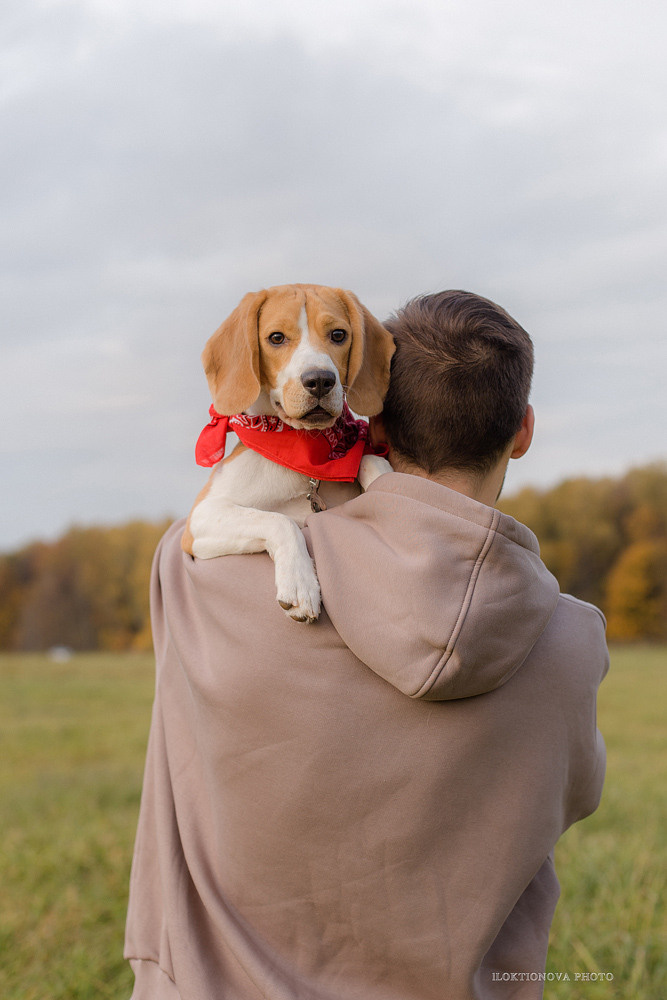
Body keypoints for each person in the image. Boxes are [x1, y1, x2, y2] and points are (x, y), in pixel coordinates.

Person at [125, 290, 608, 1000]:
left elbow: (205, 525)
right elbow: (577, 797)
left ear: (372, 416)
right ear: (524, 429)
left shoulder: (196, 578)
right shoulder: (571, 642)